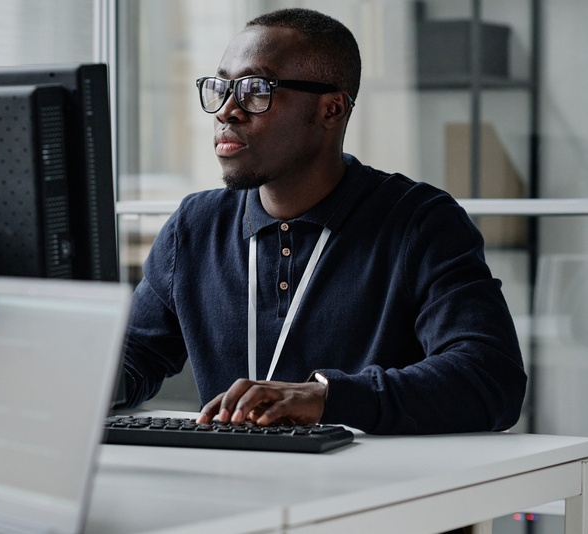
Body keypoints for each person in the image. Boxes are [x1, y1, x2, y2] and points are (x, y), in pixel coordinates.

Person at [118, 8, 527, 435]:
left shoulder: (419, 223)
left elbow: (490, 377)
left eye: (256, 89)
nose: (227, 110)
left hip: (372, 493)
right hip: (233, 487)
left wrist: (328, 399)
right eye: (221, 87)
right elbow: (131, 359)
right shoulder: (195, 227)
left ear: (331, 110)